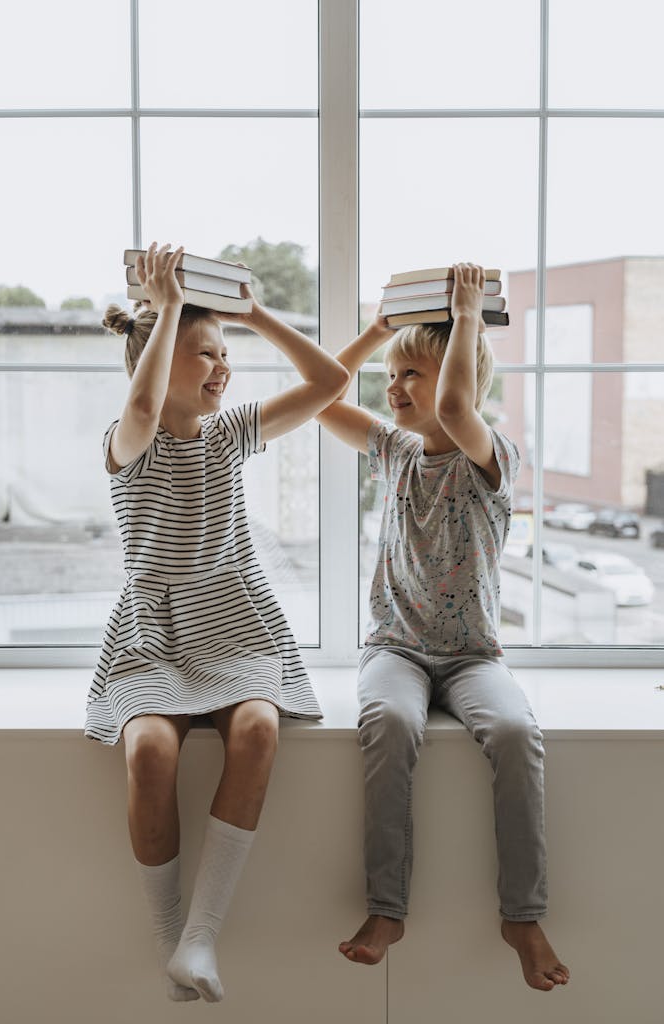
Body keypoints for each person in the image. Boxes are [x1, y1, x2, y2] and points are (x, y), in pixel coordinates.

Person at [84, 242, 349, 1003]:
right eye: (205, 354)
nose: (222, 366)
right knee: (150, 754)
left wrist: (252, 313)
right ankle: (170, 940)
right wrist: (168, 308)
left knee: (259, 730)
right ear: (157, 362)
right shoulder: (126, 442)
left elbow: (329, 383)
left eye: (224, 353)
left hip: (233, 615)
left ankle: (202, 935)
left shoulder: (231, 433)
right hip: (153, 626)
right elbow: (141, 408)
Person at [316, 263, 570, 992]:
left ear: (459, 375)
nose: (394, 389)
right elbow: (321, 396)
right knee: (389, 723)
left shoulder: (491, 458)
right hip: (395, 648)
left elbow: (457, 406)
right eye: (392, 375)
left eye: (411, 376)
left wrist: (464, 318)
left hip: (471, 657)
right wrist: (376, 332)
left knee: (518, 734)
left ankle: (520, 913)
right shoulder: (392, 450)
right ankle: (385, 907)